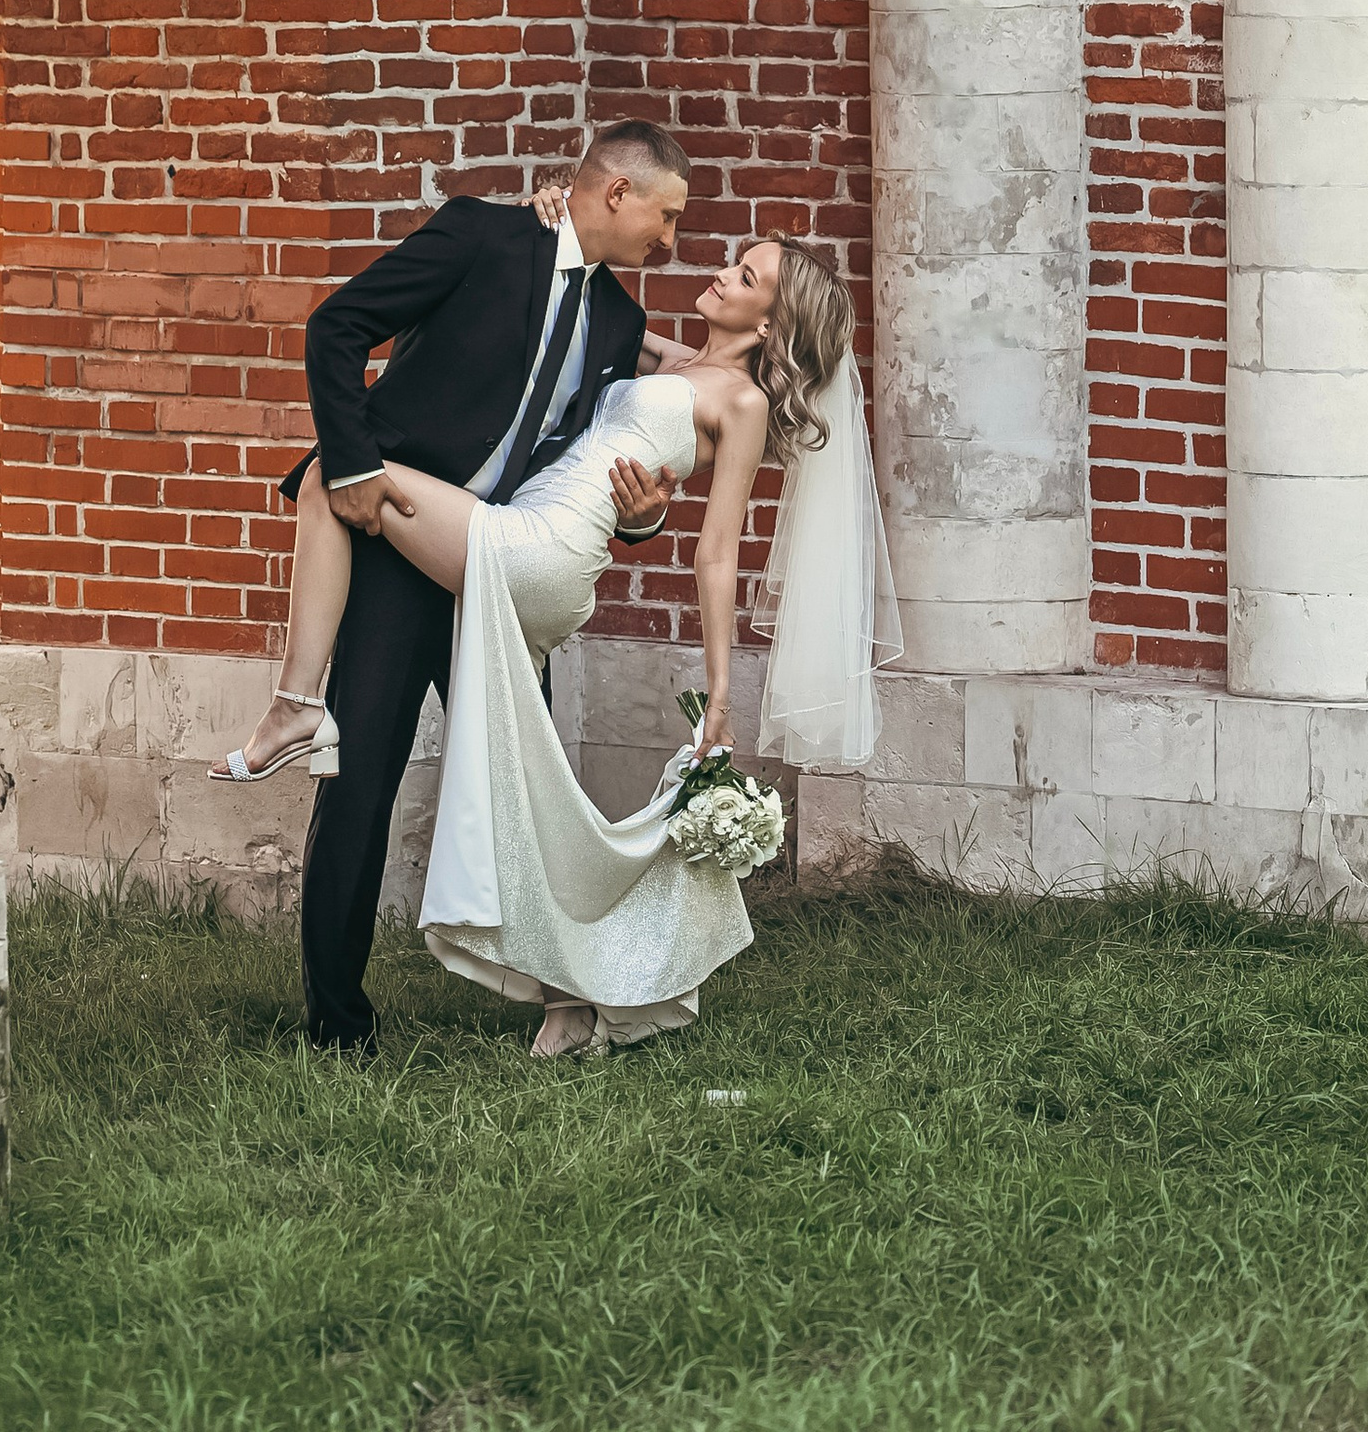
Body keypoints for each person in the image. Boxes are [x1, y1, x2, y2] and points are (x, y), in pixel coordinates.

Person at [254, 223, 898, 1055]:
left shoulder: (740, 401)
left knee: (331, 473)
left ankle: (296, 702)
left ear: (771, 325)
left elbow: (714, 553)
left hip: (532, 555)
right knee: (527, 796)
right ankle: (570, 1001)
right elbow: (582, 312)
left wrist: (722, 697)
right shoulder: (667, 359)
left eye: (743, 275)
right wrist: (549, 215)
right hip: (513, 547)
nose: (715, 269)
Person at [223, 126, 693, 1057]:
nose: (669, 241)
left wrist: (643, 516)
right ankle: (337, 1027)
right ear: (615, 194)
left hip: (500, 567)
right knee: (362, 783)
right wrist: (352, 466)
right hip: (399, 553)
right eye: (665, 216)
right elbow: (337, 325)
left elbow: (592, 466)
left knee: (534, 792)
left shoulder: (622, 325)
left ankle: (572, 1001)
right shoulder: (485, 235)